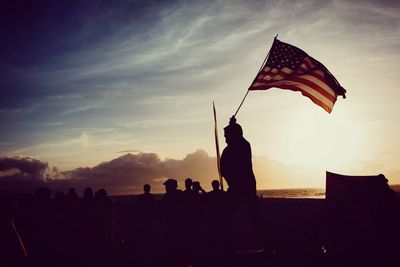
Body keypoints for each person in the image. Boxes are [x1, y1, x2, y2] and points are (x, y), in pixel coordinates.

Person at [220, 116, 264, 244]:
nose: (225, 138)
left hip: (243, 187)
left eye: (226, 135)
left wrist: (233, 125)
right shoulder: (230, 149)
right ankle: (233, 241)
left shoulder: (242, 146)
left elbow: (236, 166)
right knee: (228, 215)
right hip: (237, 187)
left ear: (233, 134)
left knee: (253, 215)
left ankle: (265, 240)